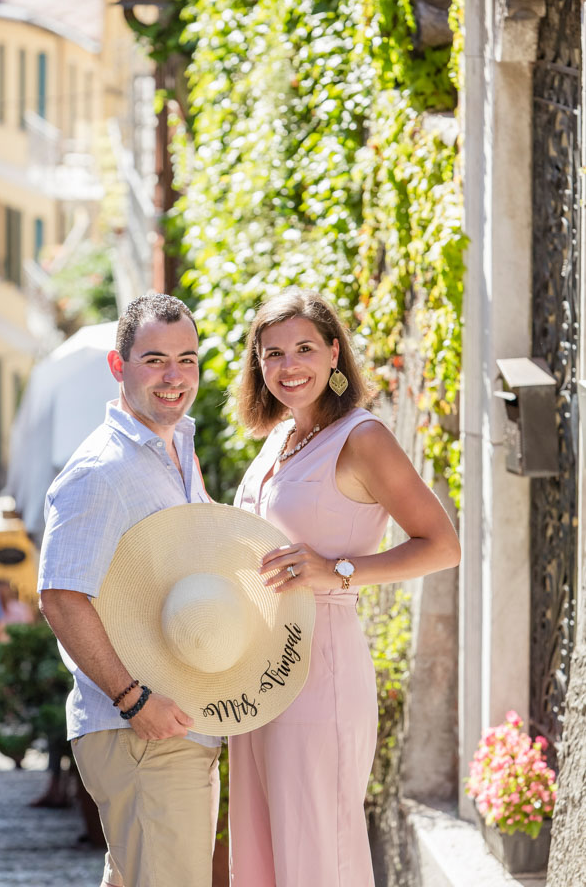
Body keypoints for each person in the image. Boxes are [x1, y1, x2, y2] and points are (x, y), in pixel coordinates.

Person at [228, 289, 461, 887]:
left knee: (318, 855)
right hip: (257, 674)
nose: (289, 366)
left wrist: (338, 571)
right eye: (273, 353)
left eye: (304, 348)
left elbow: (443, 545)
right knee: (261, 856)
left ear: (334, 353)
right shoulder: (279, 438)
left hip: (320, 670)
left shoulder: (363, 438)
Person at [38, 293, 220, 887]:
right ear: (118, 366)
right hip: (139, 729)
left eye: (187, 360)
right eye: (155, 360)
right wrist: (134, 700)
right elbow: (61, 595)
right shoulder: (101, 470)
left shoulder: (176, 449)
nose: (175, 377)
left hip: (170, 727)